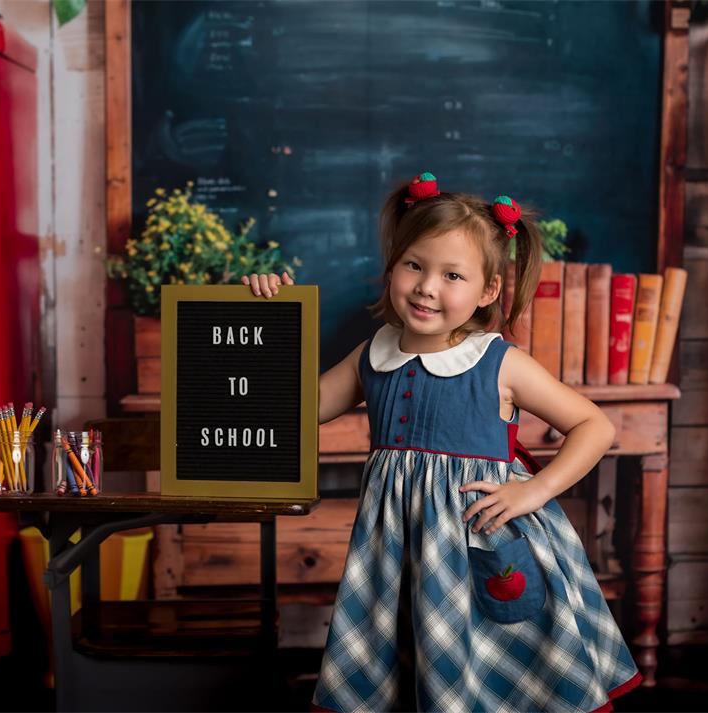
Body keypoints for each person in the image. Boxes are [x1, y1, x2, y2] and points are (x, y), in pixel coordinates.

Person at [242, 172, 643, 712]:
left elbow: (595, 427)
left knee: (497, 674)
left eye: (452, 274)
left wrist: (534, 491)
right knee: (411, 672)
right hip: (396, 551)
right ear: (392, 267)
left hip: (482, 541)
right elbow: (295, 410)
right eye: (414, 265)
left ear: (488, 291)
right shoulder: (373, 354)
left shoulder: (500, 362)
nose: (427, 286)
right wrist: (270, 320)